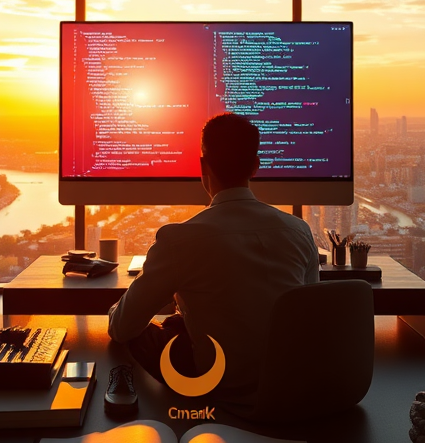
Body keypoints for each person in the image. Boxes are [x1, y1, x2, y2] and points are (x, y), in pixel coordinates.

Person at [107, 112, 319, 415]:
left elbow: (122, 328)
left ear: (203, 166)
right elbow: (308, 312)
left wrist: (122, 308)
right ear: (255, 166)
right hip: (287, 385)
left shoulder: (179, 241)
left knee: (139, 329)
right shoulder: (299, 230)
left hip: (214, 383)